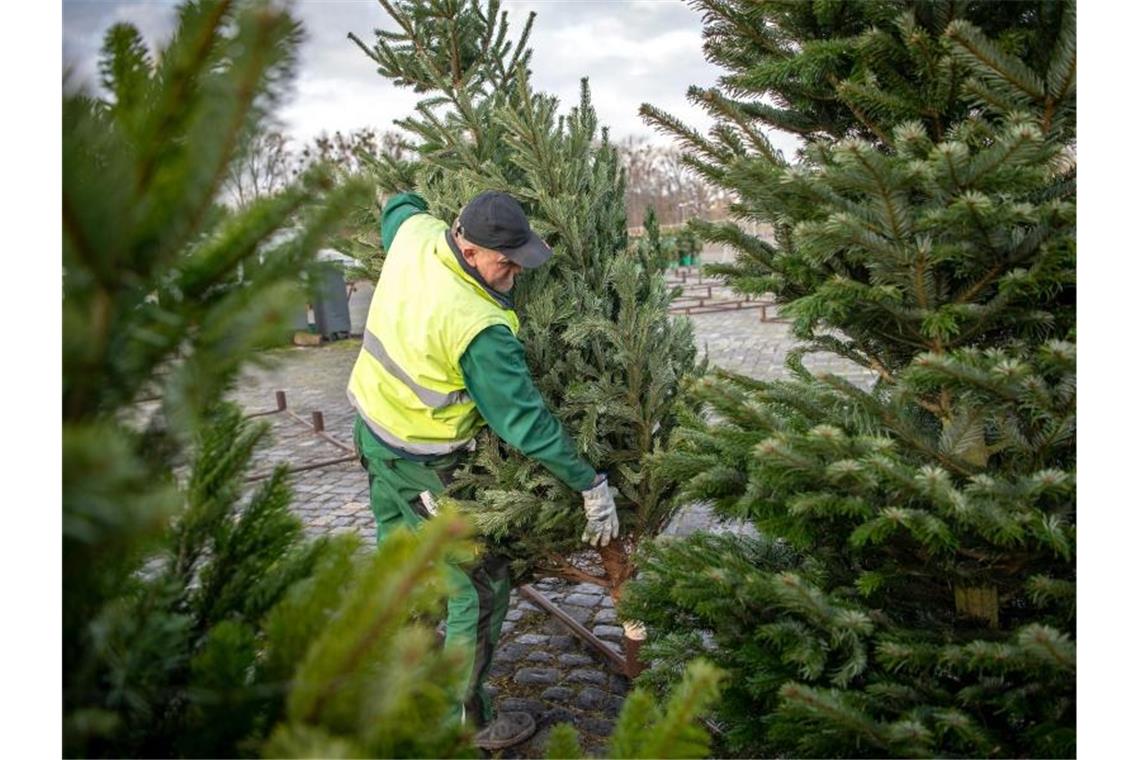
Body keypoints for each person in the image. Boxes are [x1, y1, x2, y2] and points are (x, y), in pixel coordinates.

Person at [346, 189, 619, 751]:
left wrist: (396, 193)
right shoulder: (476, 325)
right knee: (479, 584)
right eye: (505, 260)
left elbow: (399, 205)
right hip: (421, 460)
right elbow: (525, 423)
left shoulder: (416, 234)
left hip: (372, 431)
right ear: (467, 248)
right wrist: (590, 483)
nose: (516, 271)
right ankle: (460, 725)